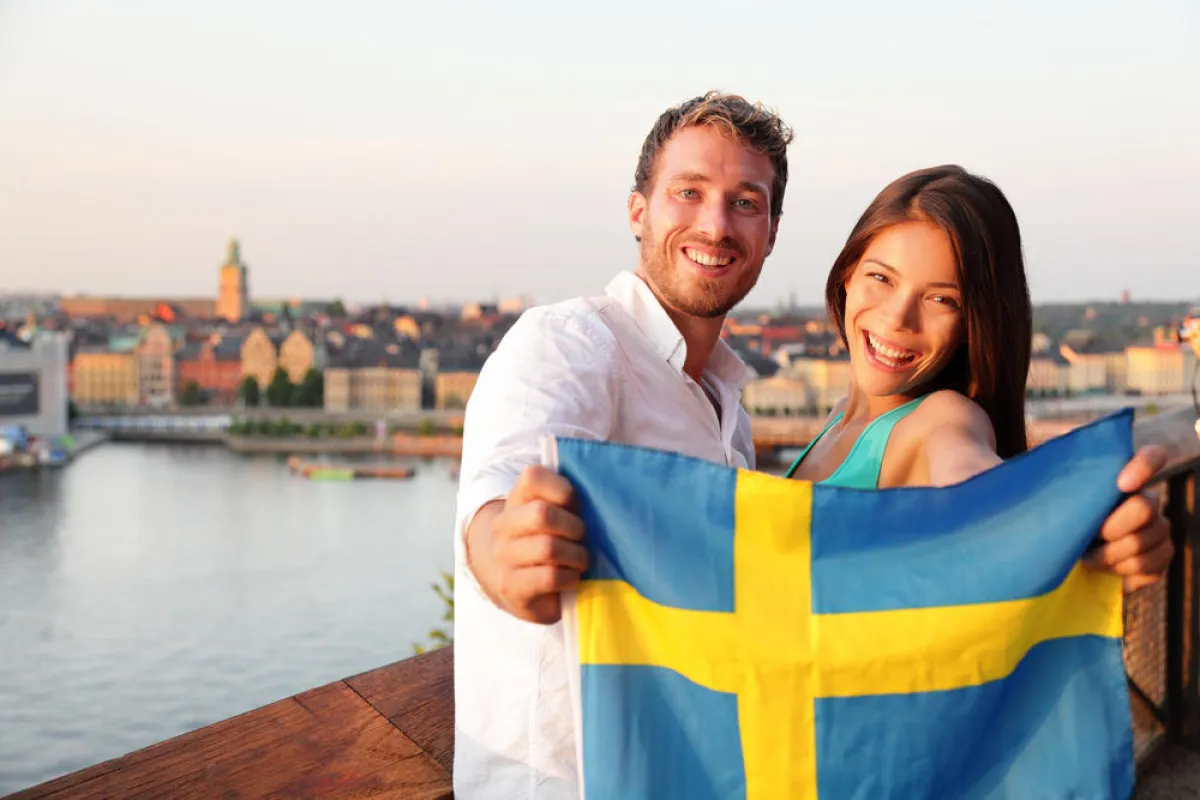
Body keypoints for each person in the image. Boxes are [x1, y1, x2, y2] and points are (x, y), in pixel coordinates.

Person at [452, 94, 1172, 799]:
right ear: (638, 210)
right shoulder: (573, 344)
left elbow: (973, 479)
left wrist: (1067, 523)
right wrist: (501, 546)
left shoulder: (933, 417)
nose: (715, 223)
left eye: (745, 202)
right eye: (689, 191)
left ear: (770, 232)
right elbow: (502, 479)